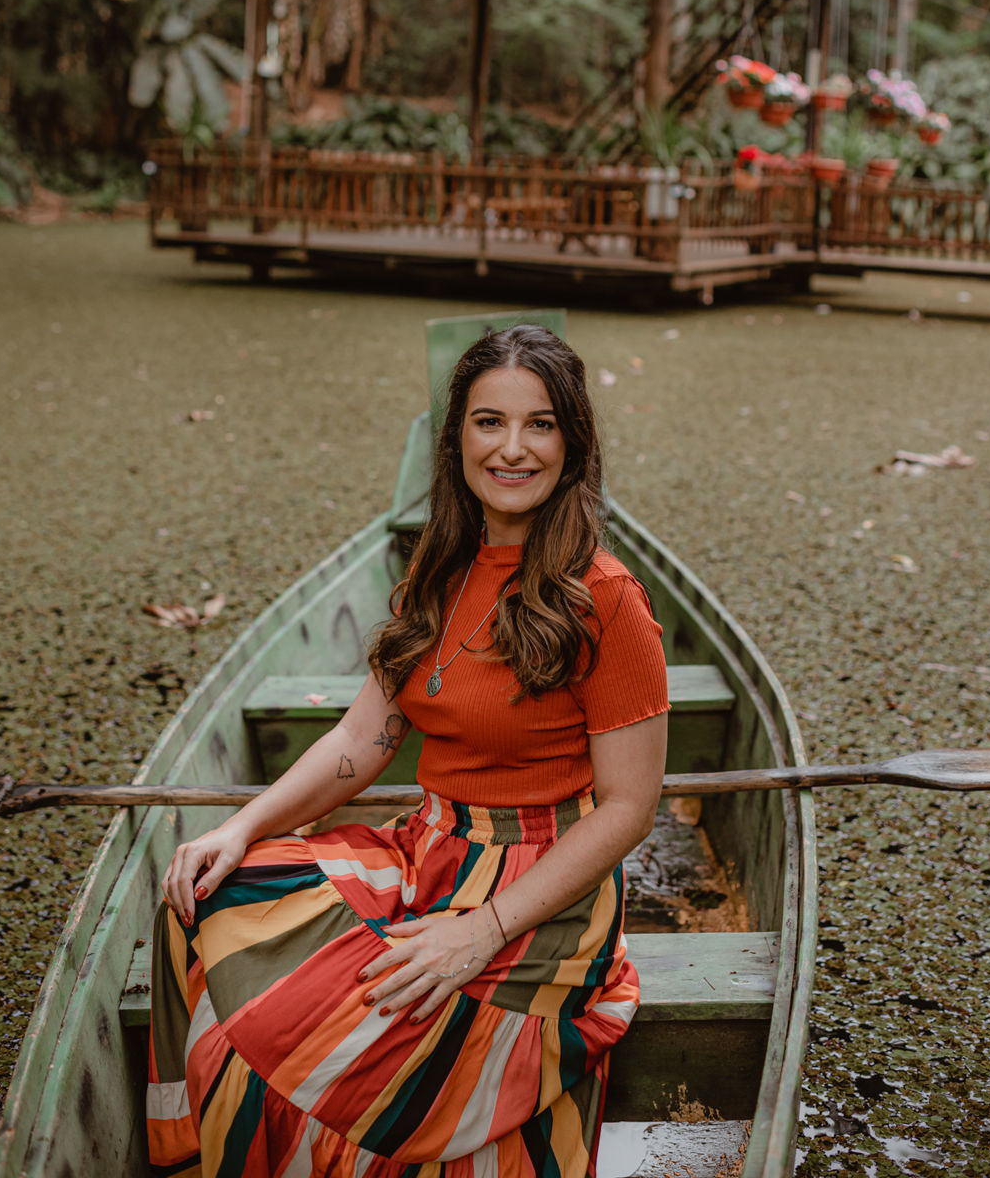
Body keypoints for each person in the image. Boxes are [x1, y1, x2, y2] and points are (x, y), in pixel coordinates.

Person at [150, 324, 670, 1178]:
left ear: (572, 444)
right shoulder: (443, 564)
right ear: (457, 437)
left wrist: (480, 934)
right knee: (211, 895)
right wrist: (238, 829)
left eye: (540, 425)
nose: (511, 448)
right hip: (427, 846)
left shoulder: (605, 600)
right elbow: (362, 739)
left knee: (358, 1031)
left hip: (541, 895)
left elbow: (628, 809)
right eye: (487, 421)